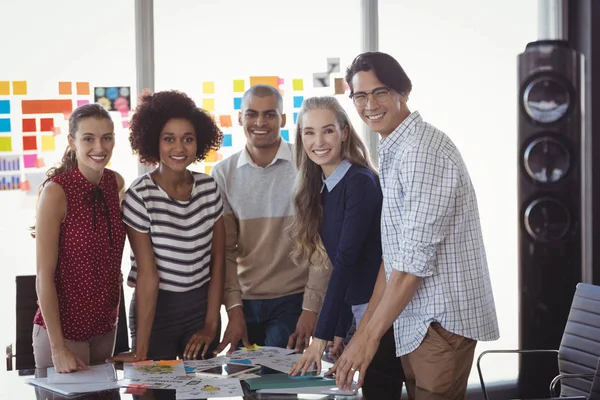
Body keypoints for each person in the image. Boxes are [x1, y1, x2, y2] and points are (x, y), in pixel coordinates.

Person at [329, 52, 500, 399]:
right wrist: (362, 336)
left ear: (403, 92)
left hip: (439, 321)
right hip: (415, 321)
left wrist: (370, 339)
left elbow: (411, 266)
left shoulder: (421, 151)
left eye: (380, 92)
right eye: (360, 96)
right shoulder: (396, 147)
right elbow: (393, 258)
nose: (370, 104)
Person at [287, 96, 404, 399]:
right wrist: (339, 330)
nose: (318, 141)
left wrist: (320, 337)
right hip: (358, 313)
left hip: (381, 316)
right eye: (309, 132)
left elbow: (347, 262)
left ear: (344, 133)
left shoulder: (359, 182)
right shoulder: (324, 187)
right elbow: (341, 269)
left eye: (327, 130)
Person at [211, 85, 329, 355]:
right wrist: (233, 308)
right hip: (245, 301)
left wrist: (311, 307)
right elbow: (225, 251)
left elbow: (322, 242)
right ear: (240, 118)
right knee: (247, 387)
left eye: (269, 115)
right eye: (252, 114)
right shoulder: (223, 174)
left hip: (293, 300)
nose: (260, 123)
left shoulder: (308, 164)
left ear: (283, 120)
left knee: (277, 389)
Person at [108, 90, 225, 362]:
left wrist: (210, 324)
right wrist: (141, 350)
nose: (179, 148)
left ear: (199, 143)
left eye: (188, 139)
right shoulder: (140, 196)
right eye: (168, 139)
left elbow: (218, 260)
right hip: (156, 312)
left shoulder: (209, 188)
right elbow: (148, 276)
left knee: (201, 391)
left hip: (201, 309)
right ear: (153, 142)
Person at [32, 103, 127, 372]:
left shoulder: (116, 183)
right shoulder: (56, 192)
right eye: (89, 138)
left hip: (105, 328)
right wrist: (58, 349)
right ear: (72, 142)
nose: (99, 147)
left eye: (106, 138)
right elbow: (43, 276)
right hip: (64, 334)